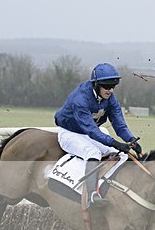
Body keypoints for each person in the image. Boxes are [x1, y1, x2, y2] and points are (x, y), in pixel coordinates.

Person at [54, 63, 142, 210]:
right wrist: (115, 143)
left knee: (123, 156)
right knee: (93, 152)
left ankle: (107, 186)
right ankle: (91, 196)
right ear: (95, 84)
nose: (111, 90)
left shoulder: (110, 98)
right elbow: (92, 131)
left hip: (88, 133)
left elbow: (119, 124)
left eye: (113, 86)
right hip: (69, 133)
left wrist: (130, 140)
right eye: (107, 87)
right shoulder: (80, 99)